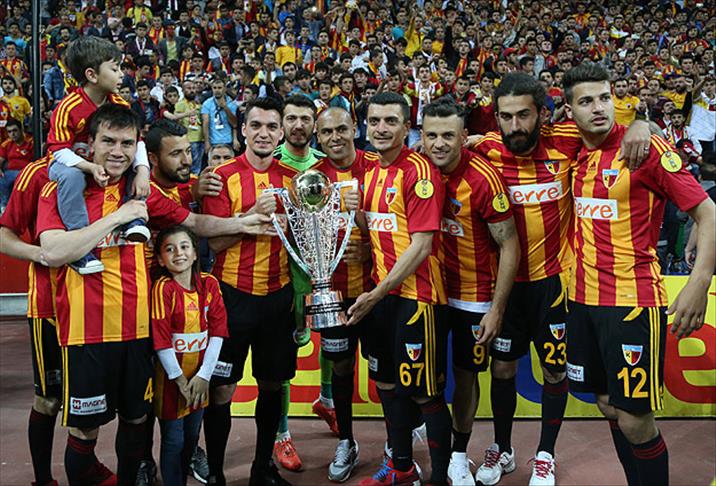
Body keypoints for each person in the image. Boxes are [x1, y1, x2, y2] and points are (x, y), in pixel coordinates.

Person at [471, 72, 651, 486]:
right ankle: (503, 447)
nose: (515, 125)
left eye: (524, 115)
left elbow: (626, 132)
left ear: (543, 115)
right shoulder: (485, 149)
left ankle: (545, 455)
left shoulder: (567, 139)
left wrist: (643, 123)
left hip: (556, 285)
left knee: (555, 372)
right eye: (505, 117)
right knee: (502, 369)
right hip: (505, 287)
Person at [563, 62, 715, 486]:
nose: (599, 108)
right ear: (569, 111)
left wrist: (699, 282)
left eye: (605, 98)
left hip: (631, 301)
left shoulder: (644, 150)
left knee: (634, 418)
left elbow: (707, 212)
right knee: (607, 403)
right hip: (582, 299)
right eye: (586, 101)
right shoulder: (570, 148)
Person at [349, 92, 451, 486]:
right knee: (387, 385)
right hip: (382, 298)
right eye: (374, 121)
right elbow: (376, 229)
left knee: (424, 393)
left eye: (390, 121)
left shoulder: (420, 173)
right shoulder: (371, 171)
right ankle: (401, 467)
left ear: (407, 127)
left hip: (418, 299)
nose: (380, 128)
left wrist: (376, 293)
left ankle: (440, 477)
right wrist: (355, 212)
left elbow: (421, 245)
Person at [420, 100, 520, 486]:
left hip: (473, 296)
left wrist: (496, 309)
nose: (439, 144)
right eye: (432, 135)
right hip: (427, 291)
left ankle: (458, 455)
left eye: (448, 135)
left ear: (464, 137)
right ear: (421, 136)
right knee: (424, 379)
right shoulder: (416, 169)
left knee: (465, 377)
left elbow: (509, 244)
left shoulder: (483, 179)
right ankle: (419, 445)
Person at [202, 97, 298, 486]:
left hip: (278, 297)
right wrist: (251, 217)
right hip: (231, 297)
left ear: (281, 133)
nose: (263, 133)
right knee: (221, 389)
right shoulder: (220, 176)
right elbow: (215, 243)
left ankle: (262, 469)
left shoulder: (293, 179)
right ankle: (216, 473)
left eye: (271, 127)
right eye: (255, 125)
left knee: (273, 385)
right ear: (242, 130)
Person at [46, 36, 151, 275]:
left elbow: (137, 142)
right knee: (72, 177)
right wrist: (90, 167)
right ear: (92, 75)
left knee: (129, 160)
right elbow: (58, 150)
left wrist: (143, 171)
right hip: (68, 162)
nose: (121, 74)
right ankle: (79, 242)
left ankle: (133, 219)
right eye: (115, 69)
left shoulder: (120, 103)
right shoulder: (68, 107)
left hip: (98, 161)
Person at [270, 95, 334, 473]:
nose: (298, 125)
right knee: (287, 353)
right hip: (283, 274)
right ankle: (281, 433)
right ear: (282, 125)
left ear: (315, 124)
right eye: (291, 118)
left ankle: (327, 399)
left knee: (335, 338)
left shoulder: (327, 165)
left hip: (326, 269)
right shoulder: (270, 164)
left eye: (305, 119)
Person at [313, 107, 376, 482]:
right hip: (333, 295)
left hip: (377, 291)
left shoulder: (377, 168)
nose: (335, 137)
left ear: (355, 128)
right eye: (326, 132)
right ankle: (347, 441)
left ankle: (397, 444)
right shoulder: (311, 179)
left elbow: (399, 227)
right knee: (340, 367)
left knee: (386, 372)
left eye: (341, 129)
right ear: (318, 137)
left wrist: (369, 247)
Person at [0, 155, 66, 486]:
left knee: (97, 400)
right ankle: (43, 480)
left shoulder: (118, 168)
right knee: (49, 399)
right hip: (49, 306)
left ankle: (89, 467)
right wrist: (42, 254)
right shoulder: (37, 173)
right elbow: (5, 235)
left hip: (101, 310)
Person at [151, 225, 228, 486]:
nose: (179, 253)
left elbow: (218, 332)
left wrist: (204, 376)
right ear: (160, 259)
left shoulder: (209, 284)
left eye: (184, 247)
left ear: (195, 253)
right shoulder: (163, 289)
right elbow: (161, 341)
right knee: (173, 440)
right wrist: (179, 380)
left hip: (199, 381)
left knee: (191, 438)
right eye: (169, 249)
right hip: (172, 383)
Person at [0, 118, 33, 210]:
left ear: (21, 129)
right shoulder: (6, 144)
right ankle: (4, 207)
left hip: (27, 173)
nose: (12, 134)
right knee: (2, 178)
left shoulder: (31, 141)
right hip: (10, 173)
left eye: (15, 130)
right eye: (9, 132)